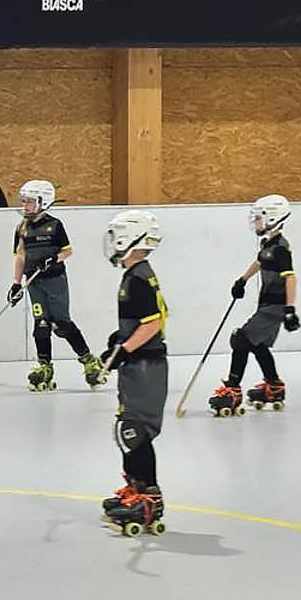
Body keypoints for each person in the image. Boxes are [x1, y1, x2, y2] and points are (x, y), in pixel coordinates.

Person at [101, 210, 169, 536]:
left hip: (145, 366)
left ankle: (149, 497)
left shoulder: (138, 278)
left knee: (134, 431)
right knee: (127, 428)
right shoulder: (136, 274)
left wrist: (125, 349)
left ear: (129, 239)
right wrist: (120, 340)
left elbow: (153, 323)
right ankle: (136, 488)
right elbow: (143, 320)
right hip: (138, 364)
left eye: (116, 235)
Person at [8, 180, 104, 391]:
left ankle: (88, 360)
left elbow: (67, 250)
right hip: (34, 283)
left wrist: (54, 259)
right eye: (23, 201)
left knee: (61, 323)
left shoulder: (54, 225)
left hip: (55, 281)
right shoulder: (21, 228)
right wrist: (16, 284)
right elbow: (20, 256)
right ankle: (44, 365)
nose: (25, 206)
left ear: (43, 202)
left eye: (29, 201)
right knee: (41, 323)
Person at [211, 194, 300, 416]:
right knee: (257, 344)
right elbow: (260, 261)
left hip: (275, 307)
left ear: (273, 219)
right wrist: (242, 280)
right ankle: (274, 385)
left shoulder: (280, 249)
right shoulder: (268, 245)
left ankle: (232, 389)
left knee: (240, 339)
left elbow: (290, 277)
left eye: (260, 218)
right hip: (266, 305)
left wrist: (290, 310)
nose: (256, 223)